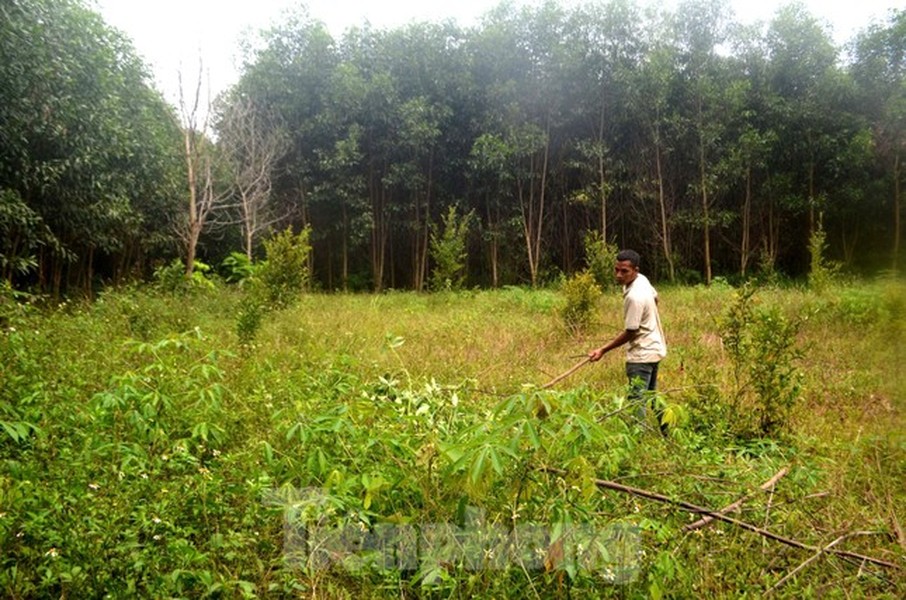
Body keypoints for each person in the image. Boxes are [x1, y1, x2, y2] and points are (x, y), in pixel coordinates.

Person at [587, 249, 668, 432]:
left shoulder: (634, 297)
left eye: (624, 271)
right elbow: (656, 298)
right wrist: (648, 319)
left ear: (635, 270)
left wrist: (602, 350)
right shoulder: (642, 281)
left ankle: (637, 438)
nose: (619, 275)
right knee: (651, 395)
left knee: (637, 400)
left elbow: (631, 332)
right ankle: (667, 431)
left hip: (641, 354)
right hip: (654, 347)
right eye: (616, 270)